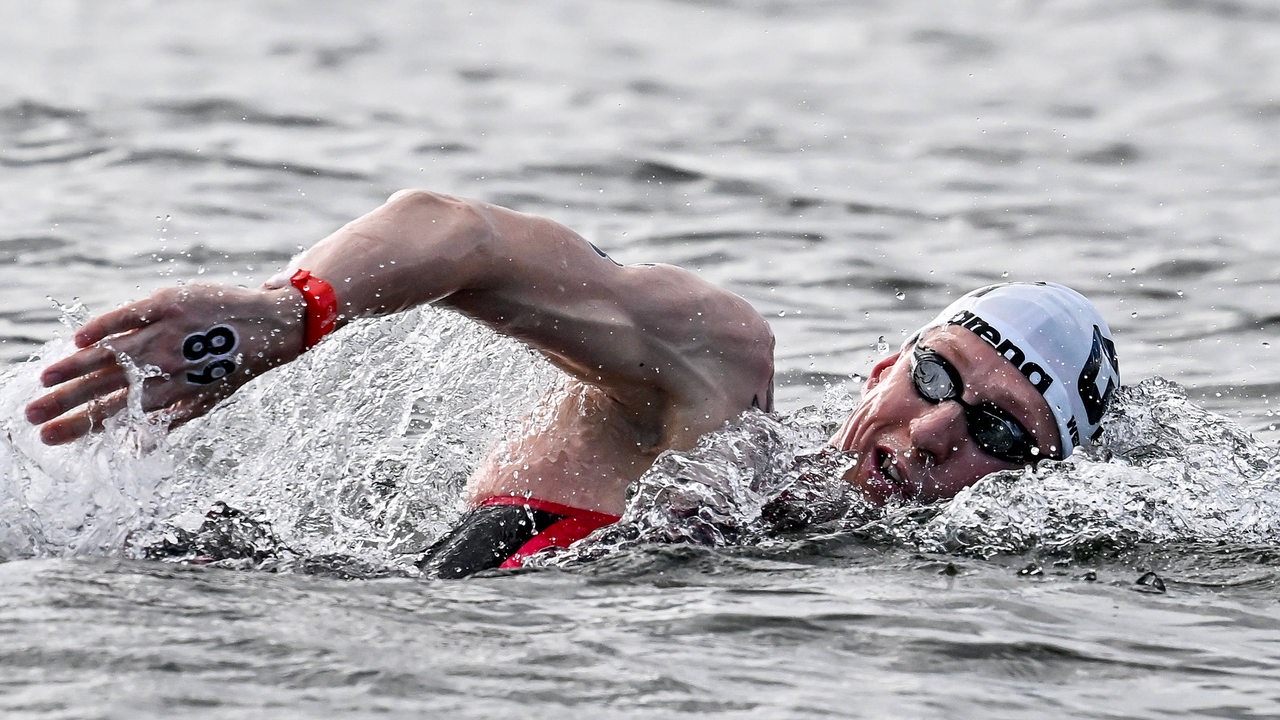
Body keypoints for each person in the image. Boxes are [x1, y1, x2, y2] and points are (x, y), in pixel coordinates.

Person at [23, 190, 1119, 577]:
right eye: (935, 374)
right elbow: (455, 234)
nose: (933, 429)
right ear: (889, 358)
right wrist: (289, 311)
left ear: (1039, 480)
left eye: (1000, 434)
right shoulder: (711, 387)